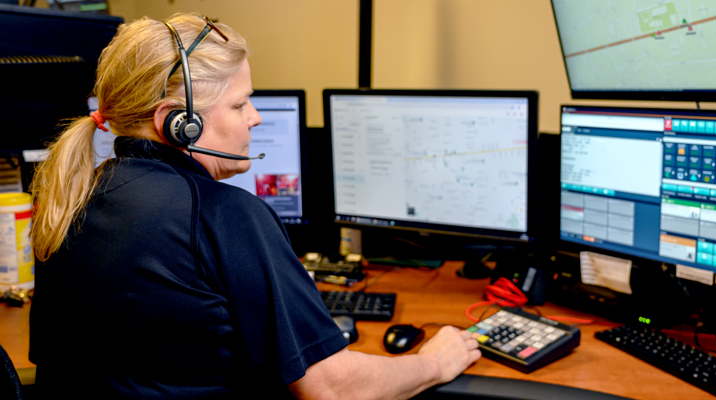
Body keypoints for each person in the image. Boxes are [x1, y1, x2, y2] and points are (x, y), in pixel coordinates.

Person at [29, 13, 480, 399]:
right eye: (240, 103)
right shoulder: (223, 213)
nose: (255, 117)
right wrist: (434, 363)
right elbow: (332, 388)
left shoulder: (70, 200)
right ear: (179, 123)